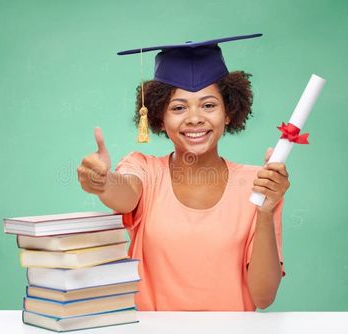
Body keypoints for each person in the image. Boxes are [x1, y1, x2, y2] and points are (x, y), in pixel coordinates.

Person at [77, 34, 290, 311]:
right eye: (178, 108)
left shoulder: (259, 184)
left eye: (208, 105)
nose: (194, 118)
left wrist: (264, 210)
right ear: (158, 118)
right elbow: (126, 194)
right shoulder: (145, 169)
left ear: (228, 112)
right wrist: (103, 182)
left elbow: (263, 298)